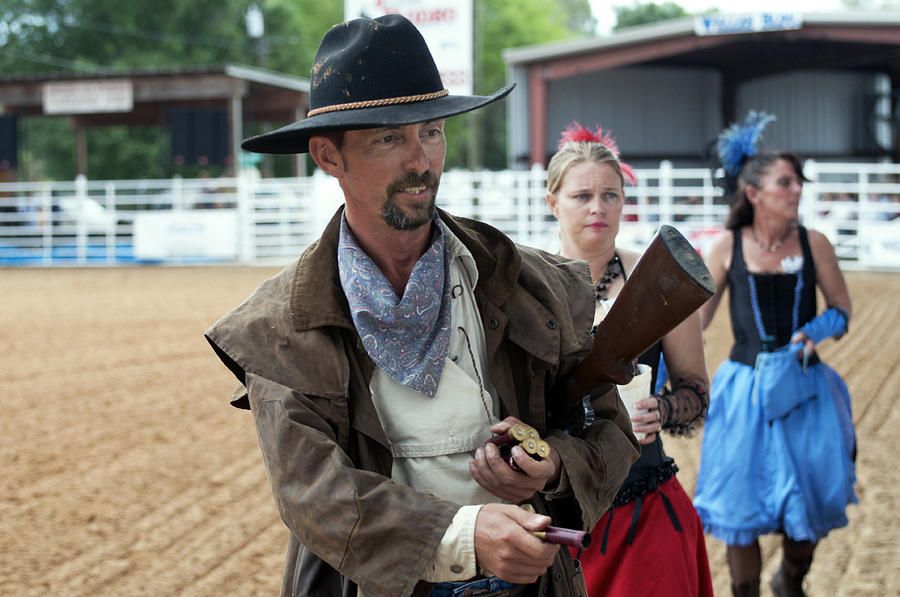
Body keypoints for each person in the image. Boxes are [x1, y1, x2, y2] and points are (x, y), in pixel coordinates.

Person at [204, 15, 639, 597]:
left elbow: (608, 428)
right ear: (329, 157)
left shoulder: (530, 281)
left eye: (430, 132)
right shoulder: (282, 325)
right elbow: (315, 495)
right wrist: (464, 537)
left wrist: (555, 466)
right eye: (389, 138)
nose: (420, 160)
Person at [544, 122, 714, 597]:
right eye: (582, 196)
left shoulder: (662, 280)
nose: (598, 207)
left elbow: (696, 390)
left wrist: (661, 409)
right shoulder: (529, 287)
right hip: (560, 519)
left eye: (611, 195)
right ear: (552, 202)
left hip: (646, 510)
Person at [692, 112, 857, 597]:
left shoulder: (816, 243)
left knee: (808, 502)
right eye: (785, 182)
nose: (797, 190)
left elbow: (843, 311)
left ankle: (791, 580)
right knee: (741, 505)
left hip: (807, 389)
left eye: (799, 182)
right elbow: (695, 321)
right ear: (754, 193)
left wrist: (816, 330)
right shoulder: (725, 248)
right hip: (744, 390)